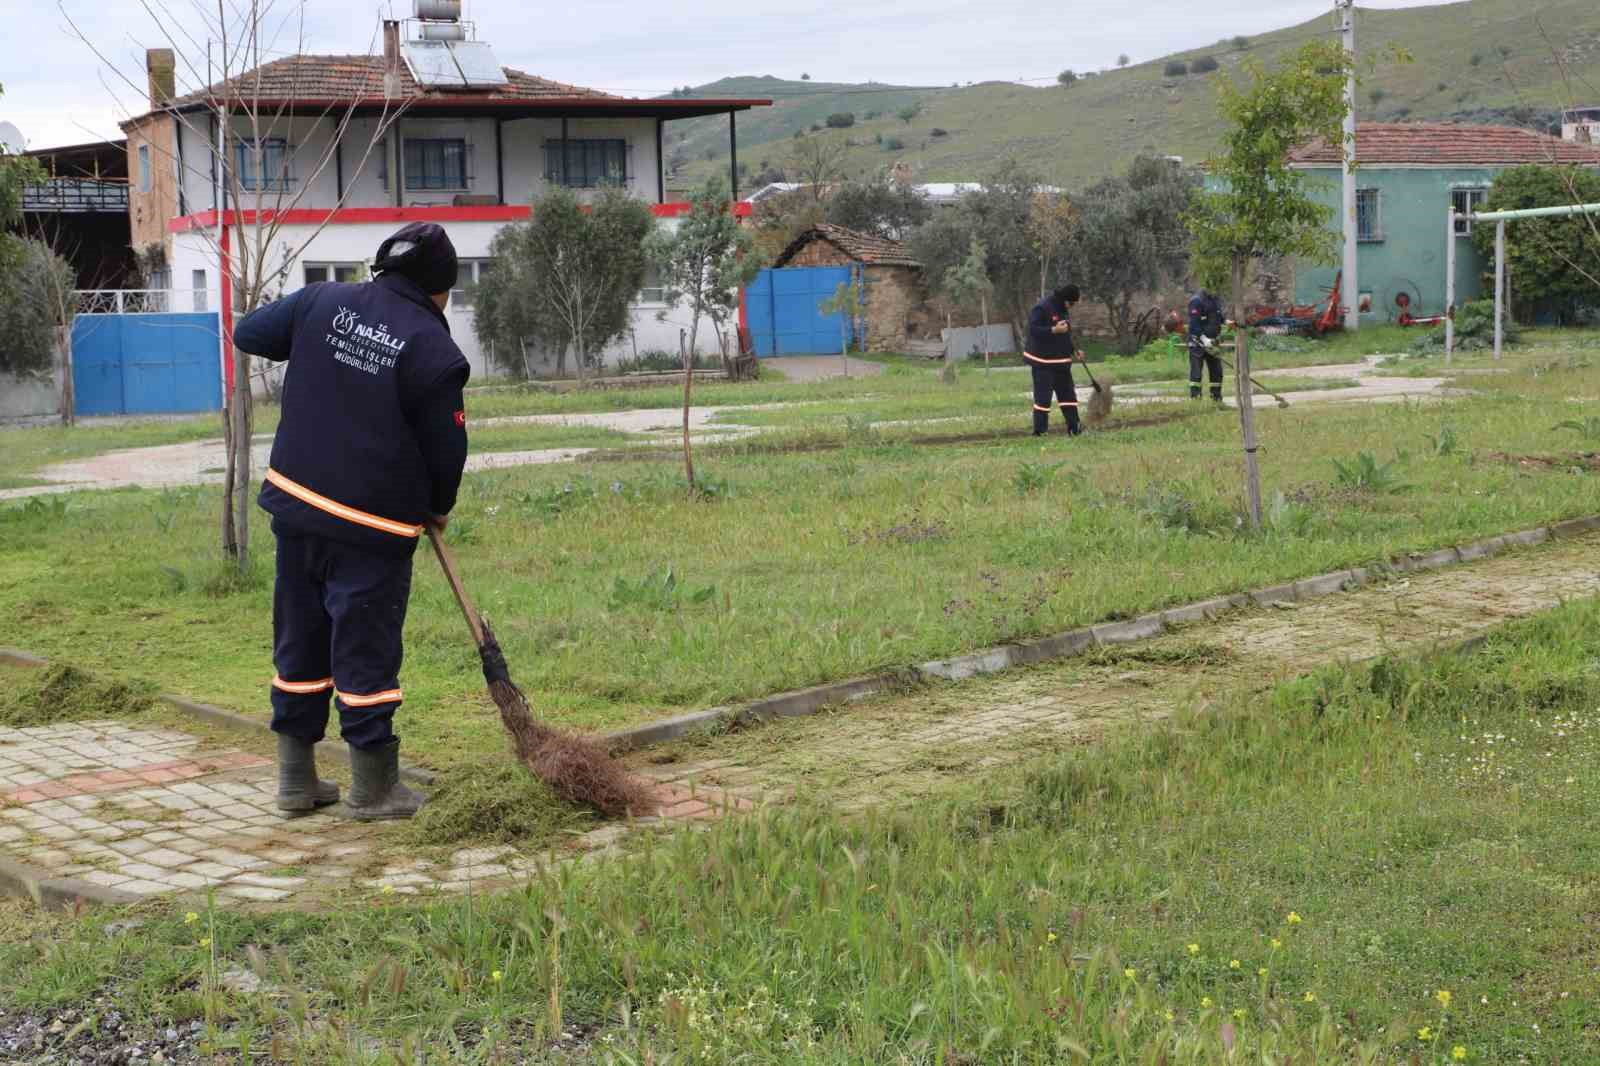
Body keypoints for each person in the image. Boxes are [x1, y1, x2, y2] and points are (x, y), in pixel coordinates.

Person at [233, 222, 470, 822]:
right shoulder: (436, 351)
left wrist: (323, 349)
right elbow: (447, 452)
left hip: (296, 505)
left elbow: (250, 332)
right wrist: (438, 506)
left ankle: (294, 782)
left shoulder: (323, 301)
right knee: (364, 649)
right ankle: (373, 788)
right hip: (371, 527)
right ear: (440, 289)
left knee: (301, 638)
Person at [1024, 284, 1084, 437]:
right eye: (1071, 304)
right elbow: (1033, 329)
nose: (1071, 307)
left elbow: (1065, 335)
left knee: (1069, 398)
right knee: (1043, 400)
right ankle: (1040, 433)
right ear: (1064, 299)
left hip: (1061, 363)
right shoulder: (1042, 307)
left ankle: (1075, 430)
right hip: (1043, 363)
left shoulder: (1063, 310)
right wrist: (1053, 330)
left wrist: (1074, 350)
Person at [1187, 286, 1226, 401]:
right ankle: (1195, 399)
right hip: (1197, 344)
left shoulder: (1214, 299)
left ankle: (1216, 398)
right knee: (1196, 373)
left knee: (1217, 372)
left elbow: (1218, 317)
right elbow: (1194, 324)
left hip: (1213, 344)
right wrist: (1204, 339)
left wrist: (1227, 321)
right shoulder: (1196, 301)